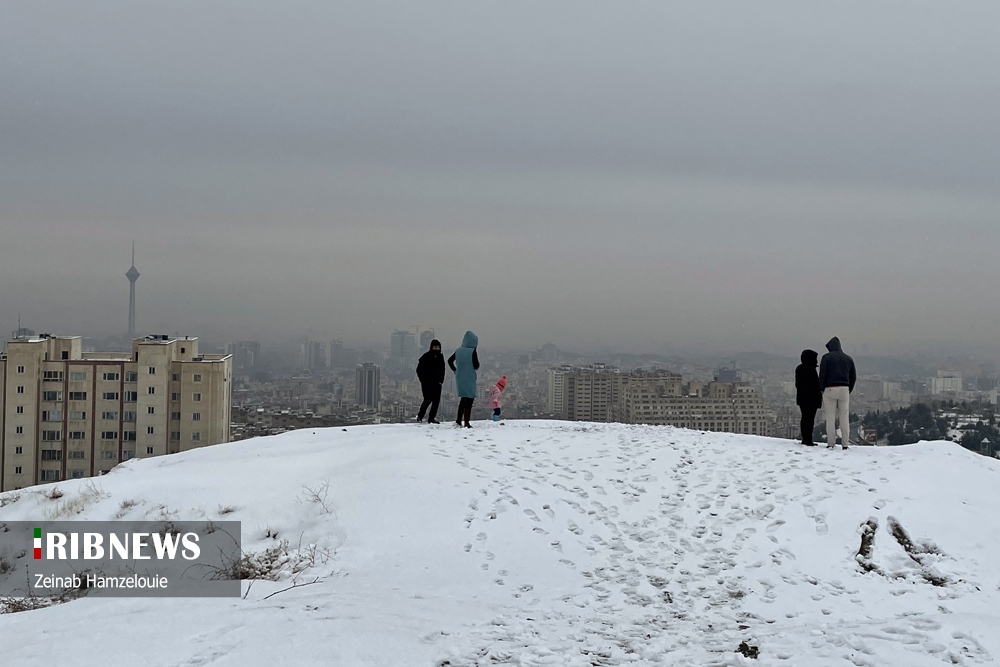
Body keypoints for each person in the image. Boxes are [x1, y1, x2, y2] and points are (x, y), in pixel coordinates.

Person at [819, 336, 857, 450]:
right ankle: (845, 444)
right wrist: (849, 389)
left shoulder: (826, 358)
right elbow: (853, 376)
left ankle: (831, 443)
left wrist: (822, 389)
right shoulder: (848, 359)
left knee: (830, 417)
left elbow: (822, 375)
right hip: (844, 389)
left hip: (830, 388)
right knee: (844, 417)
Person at [447, 331, 479, 428]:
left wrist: (455, 370)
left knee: (463, 398)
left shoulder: (458, 350)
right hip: (469, 377)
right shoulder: (472, 351)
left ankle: (458, 420)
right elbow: (476, 365)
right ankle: (467, 422)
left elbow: (449, 361)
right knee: (469, 399)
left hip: (460, 377)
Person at [794, 350, 822, 446]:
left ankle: (805, 438)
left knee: (804, 418)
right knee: (810, 419)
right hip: (812, 399)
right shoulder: (811, 370)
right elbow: (816, 385)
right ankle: (808, 439)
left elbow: (798, 384)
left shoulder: (799, 368)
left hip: (802, 398)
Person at [415, 339, 445, 423]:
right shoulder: (426, 357)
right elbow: (419, 370)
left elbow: (442, 369)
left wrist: (441, 380)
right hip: (427, 383)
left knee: (436, 401)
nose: (437, 348)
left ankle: (431, 418)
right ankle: (420, 416)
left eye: (438, 347)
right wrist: (424, 380)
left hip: (437, 383)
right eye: (435, 347)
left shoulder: (440, 356)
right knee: (427, 399)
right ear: (431, 347)